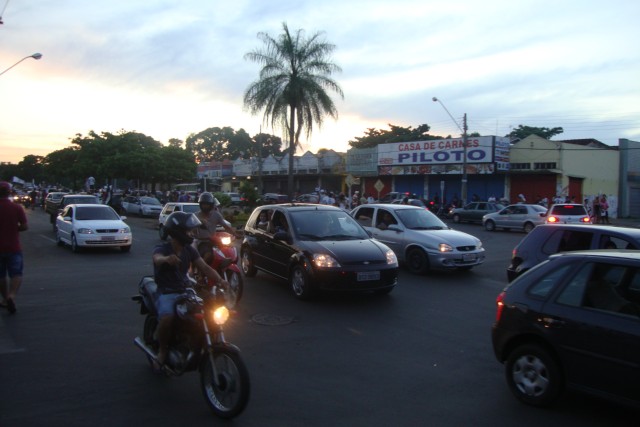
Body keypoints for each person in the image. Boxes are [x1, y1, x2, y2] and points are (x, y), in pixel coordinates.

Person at [152, 211, 228, 371]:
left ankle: (194, 344)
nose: (192, 233)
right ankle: (163, 350)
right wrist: (166, 259)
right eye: (189, 231)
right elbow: (157, 259)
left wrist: (221, 280)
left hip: (186, 290)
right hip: (167, 292)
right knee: (167, 317)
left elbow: (205, 267)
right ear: (177, 232)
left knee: (206, 310)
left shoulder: (189, 250)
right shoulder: (164, 248)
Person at [0, 181, 28, 314]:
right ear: (10, 192)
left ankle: (5, 299)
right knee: (16, 273)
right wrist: (14, 228)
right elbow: (24, 226)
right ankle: (12, 295)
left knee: (1, 276)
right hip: (13, 246)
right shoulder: (17, 208)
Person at [193, 192, 241, 264]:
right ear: (200, 204)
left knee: (226, 250)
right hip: (201, 242)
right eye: (203, 204)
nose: (205, 206)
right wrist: (199, 223)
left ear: (211, 205)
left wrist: (235, 234)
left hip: (214, 240)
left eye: (207, 204)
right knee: (208, 255)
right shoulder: (195, 216)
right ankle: (202, 270)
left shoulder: (216, 215)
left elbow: (226, 227)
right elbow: (191, 230)